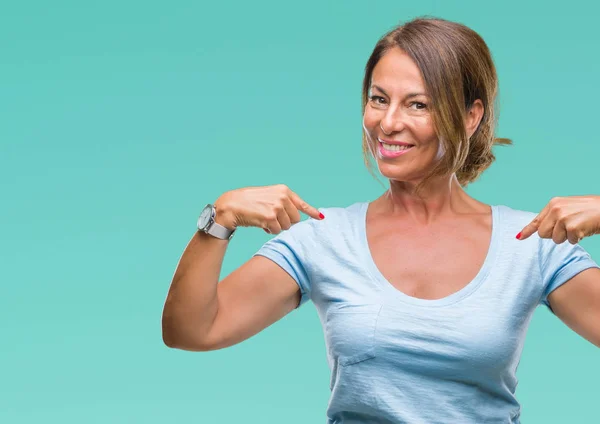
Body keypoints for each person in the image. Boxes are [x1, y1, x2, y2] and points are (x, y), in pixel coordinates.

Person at [162, 17, 600, 423]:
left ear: (471, 116)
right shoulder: (322, 237)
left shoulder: (531, 242)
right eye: (378, 99)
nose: (388, 123)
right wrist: (219, 219)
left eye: (418, 105)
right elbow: (190, 330)